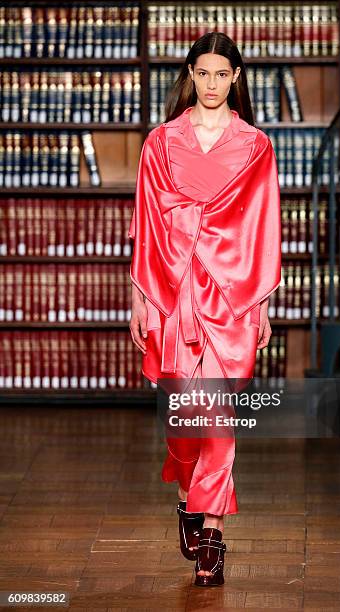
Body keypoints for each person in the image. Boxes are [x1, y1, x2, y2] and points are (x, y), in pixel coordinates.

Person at [128, 31, 281, 587]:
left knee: (216, 422)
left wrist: (262, 304)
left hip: (231, 297)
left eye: (223, 74)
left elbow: (263, 226)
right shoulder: (160, 144)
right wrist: (140, 298)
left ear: (235, 77)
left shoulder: (255, 146)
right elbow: (145, 224)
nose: (213, 83)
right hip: (172, 291)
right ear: (190, 74)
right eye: (204, 72)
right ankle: (189, 500)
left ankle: (212, 535)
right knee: (185, 423)